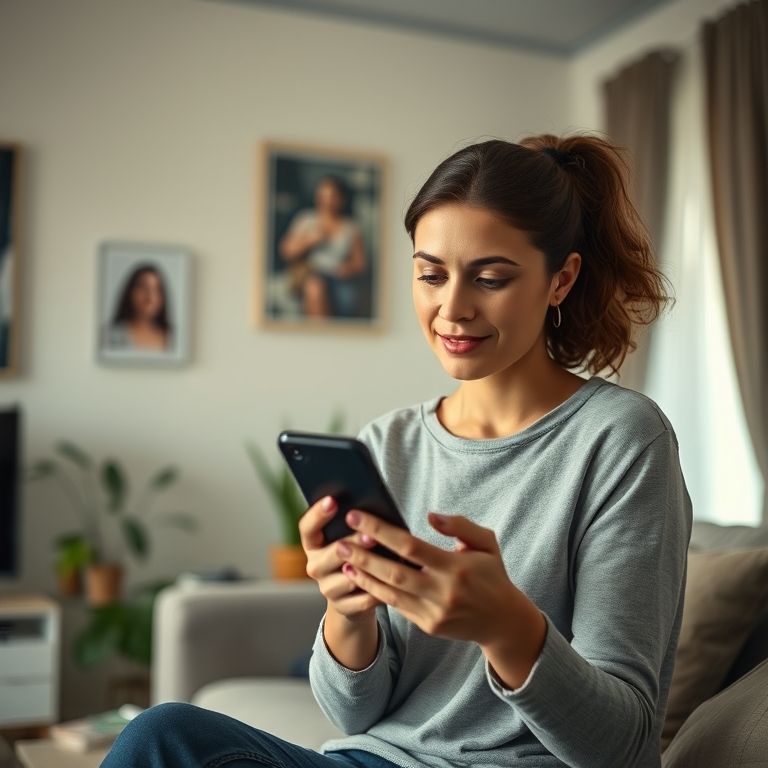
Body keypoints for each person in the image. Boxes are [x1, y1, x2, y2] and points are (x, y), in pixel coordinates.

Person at [103, 134, 692, 768]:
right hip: (373, 760)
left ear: (561, 280)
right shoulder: (391, 443)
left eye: (490, 278)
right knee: (162, 735)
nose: (453, 308)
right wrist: (345, 611)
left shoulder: (622, 440)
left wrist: (507, 627)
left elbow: (624, 746)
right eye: (431, 274)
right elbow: (353, 714)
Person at [278, 175, 367, 318]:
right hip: (308, 273)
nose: (327, 201)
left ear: (341, 199)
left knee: (347, 301)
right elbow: (286, 251)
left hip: (337, 278)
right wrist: (309, 241)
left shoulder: (351, 228)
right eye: (323, 195)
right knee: (314, 287)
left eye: (332, 196)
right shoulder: (306, 219)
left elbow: (360, 263)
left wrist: (347, 268)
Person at [105, 263, 173, 351]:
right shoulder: (112, 335)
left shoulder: (173, 336)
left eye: (156, 289)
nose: (150, 297)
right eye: (143, 287)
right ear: (130, 292)